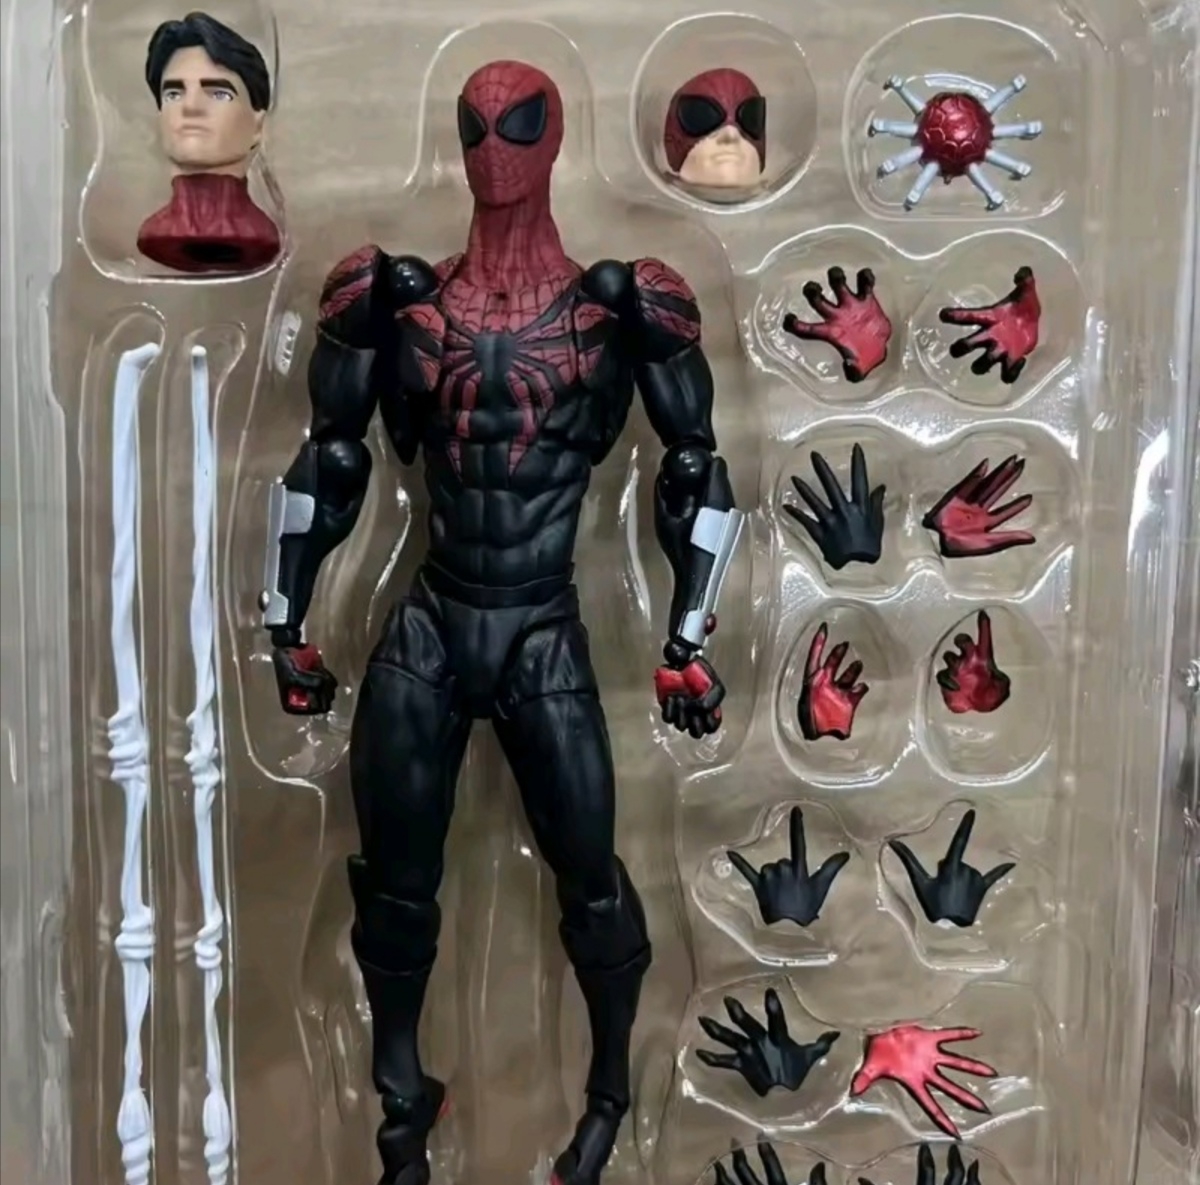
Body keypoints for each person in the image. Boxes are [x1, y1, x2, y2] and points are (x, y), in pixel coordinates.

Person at [260, 59, 743, 1185]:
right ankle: (399, 1103)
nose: (493, 152)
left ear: (554, 137)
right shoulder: (398, 301)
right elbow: (330, 464)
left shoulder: (619, 306)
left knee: (592, 882)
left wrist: (689, 639)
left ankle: (611, 1097)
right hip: (433, 618)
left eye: (518, 126)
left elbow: (696, 470)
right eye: (475, 128)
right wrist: (286, 617)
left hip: (539, 625)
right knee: (394, 888)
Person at [137, 11, 280, 272]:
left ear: (258, 125)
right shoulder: (155, 232)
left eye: (219, 94)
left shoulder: (260, 235)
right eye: (173, 94)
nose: (191, 107)